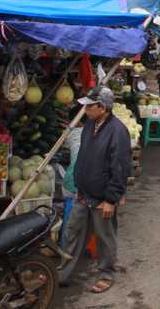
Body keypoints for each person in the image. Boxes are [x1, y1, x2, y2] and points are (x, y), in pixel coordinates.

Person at [63, 88, 131, 294]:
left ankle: (106, 274)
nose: (85, 110)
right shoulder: (89, 125)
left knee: (105, 238)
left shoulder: (118, 131)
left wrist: (111, 199)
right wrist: (79, 185)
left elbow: (120, 168)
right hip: (83, 193)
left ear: (102, 108)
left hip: (103, 198)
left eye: (89, 106)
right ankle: (63, 272)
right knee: (73, 232)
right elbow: (84, 156)